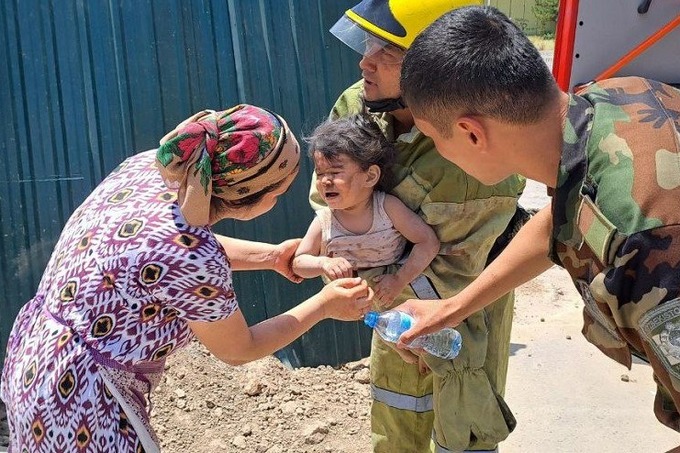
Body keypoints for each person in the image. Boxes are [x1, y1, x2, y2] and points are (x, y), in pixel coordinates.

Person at [0, 105, 373, 453]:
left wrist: (272, 256)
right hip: (78, 400)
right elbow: (238, 348)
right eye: (277, 193)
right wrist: (325, 305)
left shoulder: (154, 168)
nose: (276, 201)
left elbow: (162, 252)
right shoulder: (194, 257)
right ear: (248, 199)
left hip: (38, 356)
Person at [397, 4, 680, 434]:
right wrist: (454, 308)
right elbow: (562, 217)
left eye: (436, 138)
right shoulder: (615, 96)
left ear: (472, 133)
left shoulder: (643, 244)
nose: (438, 150)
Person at [311, 1, 527, 451]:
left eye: (386, 51)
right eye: (368, 42)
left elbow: (462, 261)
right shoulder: (358, 106)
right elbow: (331, 205)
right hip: (390, 305)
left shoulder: (475, 141)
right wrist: (383, 308)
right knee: (396, 416)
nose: (364, 61)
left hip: (467, 309)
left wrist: (413, 313)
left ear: (436, 70)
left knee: (464, 426)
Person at [293, 114, 439, 310]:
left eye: (335, 172)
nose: (325, 181)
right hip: (363, 306)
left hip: (404, 297)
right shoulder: (326, 220)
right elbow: (299, 263)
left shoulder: (387, 208)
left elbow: (428, 242)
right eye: (320, 173)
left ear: (370, 176)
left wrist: (399, 279)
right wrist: (322, 264)